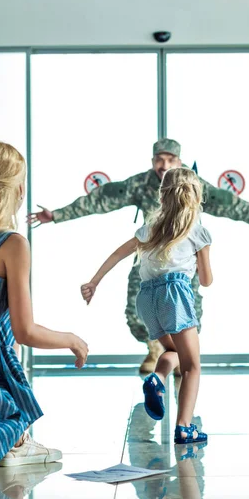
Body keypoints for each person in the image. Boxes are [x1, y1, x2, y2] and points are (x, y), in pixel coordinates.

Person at [28, 139, 249, 374]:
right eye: (159, 159)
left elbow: (233, 206)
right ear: (152, 161)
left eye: (169, 159)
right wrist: (58, 215)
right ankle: (158, 350)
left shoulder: (192, 184)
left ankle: (177, 363)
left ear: (179, 160)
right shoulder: (142, 184)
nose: (163, 165)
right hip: (148, 263)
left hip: (183, 268)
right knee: (136, 317)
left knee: (189, 319)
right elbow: (102, 198)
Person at [0, 142, 88, 483]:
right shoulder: (12, 244)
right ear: (18, 189)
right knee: (12, 396)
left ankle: (14, 440)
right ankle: (14, 441)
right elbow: (24, 331)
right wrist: (71, 339)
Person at [81, 167, 212, 444]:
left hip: (146, 299)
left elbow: (118, 253)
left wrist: (94, 281)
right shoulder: (198, 232)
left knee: (173, 351)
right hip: (174, 294)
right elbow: (206, 280)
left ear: (162, 197)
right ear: (195, 197)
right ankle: (184, 427)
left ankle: (157, 378)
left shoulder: (148, 229)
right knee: (193, 367)